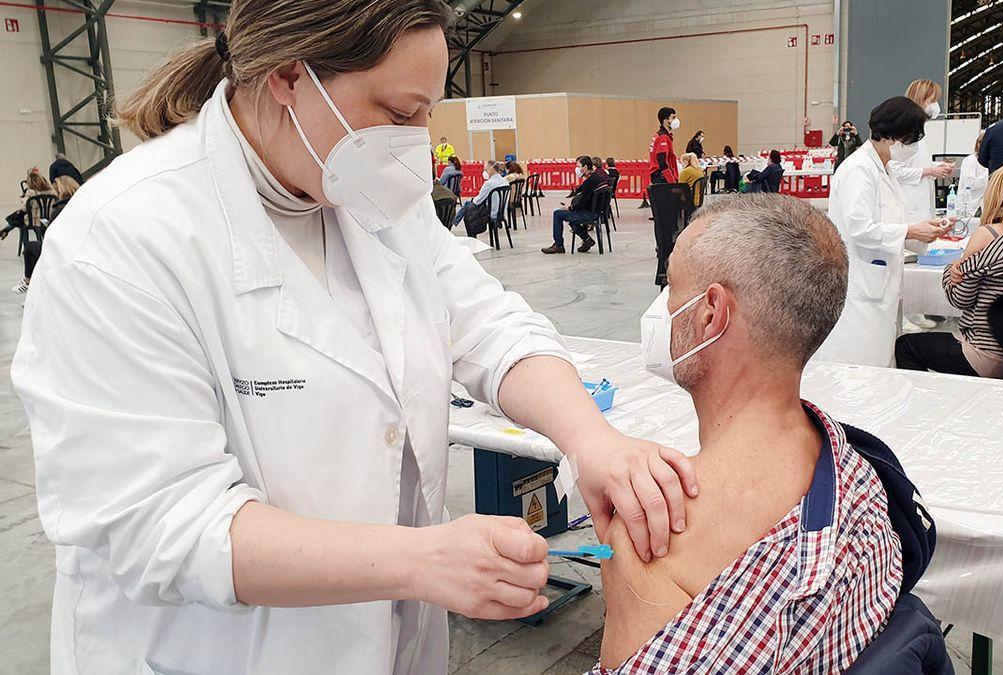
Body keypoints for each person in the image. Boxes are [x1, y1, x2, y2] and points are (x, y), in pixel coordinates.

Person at [11, 2, 699, 673]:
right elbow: (165, 525)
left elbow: (490, 325)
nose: (416, 142)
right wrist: (422, 559)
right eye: (399, 115)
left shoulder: (367, 196)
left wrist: (591, 439)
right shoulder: (123, 240)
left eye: (428, 111)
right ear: (288, 77)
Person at [598, 194, 902, 672]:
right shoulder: (860, 476)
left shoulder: (655, 536)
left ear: (711, 313)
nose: (662, 307)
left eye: (670, 285)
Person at [811, 96, 950, 368]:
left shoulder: (885, 169)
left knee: (882, 359)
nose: (914, 146)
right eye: (911, 138)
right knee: (862, 365)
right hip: (863, 285)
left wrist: (921, 232)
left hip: (881, 282)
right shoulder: (858, 170)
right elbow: (859, 227)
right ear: (890, 136)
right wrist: (910, 230)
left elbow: (889, 219)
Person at [895, 165, 1003, 377]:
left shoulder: (988, 234)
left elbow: (960, 298)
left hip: (986, 352)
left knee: (905, 345)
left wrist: (950, 270)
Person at [889, 80, 955, 222]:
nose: (935, 105)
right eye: (932, 100)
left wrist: (939, 167)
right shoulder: (905, 132)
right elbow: (894, 170)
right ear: (919, 100)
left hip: (921, 206)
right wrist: (930, 171)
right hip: (908, 208)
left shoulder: (919, 131)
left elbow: (915, 163)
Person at [12, 175, 79, 294]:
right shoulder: (78, 204)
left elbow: (24, 208)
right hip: (75, 245)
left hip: (37, 224)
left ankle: (28, 282)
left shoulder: (58, 208)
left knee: (29, 245)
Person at [542, 155, 609, 254]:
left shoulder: (589, 181)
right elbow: (582, 192)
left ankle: (558, 245)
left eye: (579, 166)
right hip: (598, 212)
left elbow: (582, 203)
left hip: (589, 214)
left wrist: (569, 207)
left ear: (585, 167)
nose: (577, 169)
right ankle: (587, 240)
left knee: (558, 214)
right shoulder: (597, 177)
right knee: (572, 220)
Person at [1, 168, 55, 248]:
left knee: (20, 221)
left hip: (34, 220)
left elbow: (24, 208)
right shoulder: (51, 191)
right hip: (48, 219)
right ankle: (6, 230)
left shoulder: (31, 192)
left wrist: (23, 200)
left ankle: (26, 248)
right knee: (18, 216)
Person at [452, 159, 507, 229]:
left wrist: (472, 200)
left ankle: (455, 223)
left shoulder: (489, 183)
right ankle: (454, 221)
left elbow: (477, 202)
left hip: (490, 213)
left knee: (467, 205)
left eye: (486, 170)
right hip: (501, 213)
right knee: (468, 203)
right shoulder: (505, 182)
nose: (485, 172)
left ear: (492, 170)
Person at [958, 132, 989, 211]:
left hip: (986, 206)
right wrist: (990, 173)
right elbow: (970, 184)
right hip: (970, 208)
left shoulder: (991, 161)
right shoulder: (970, 160)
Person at [648, 106, 679, 184]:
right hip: (662, 177)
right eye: (673, 117)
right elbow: (662, 162)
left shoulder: (662, 136)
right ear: (666, 121)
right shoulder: (663, 137)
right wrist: (672, 181)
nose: (676, 120)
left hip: (660, 176)